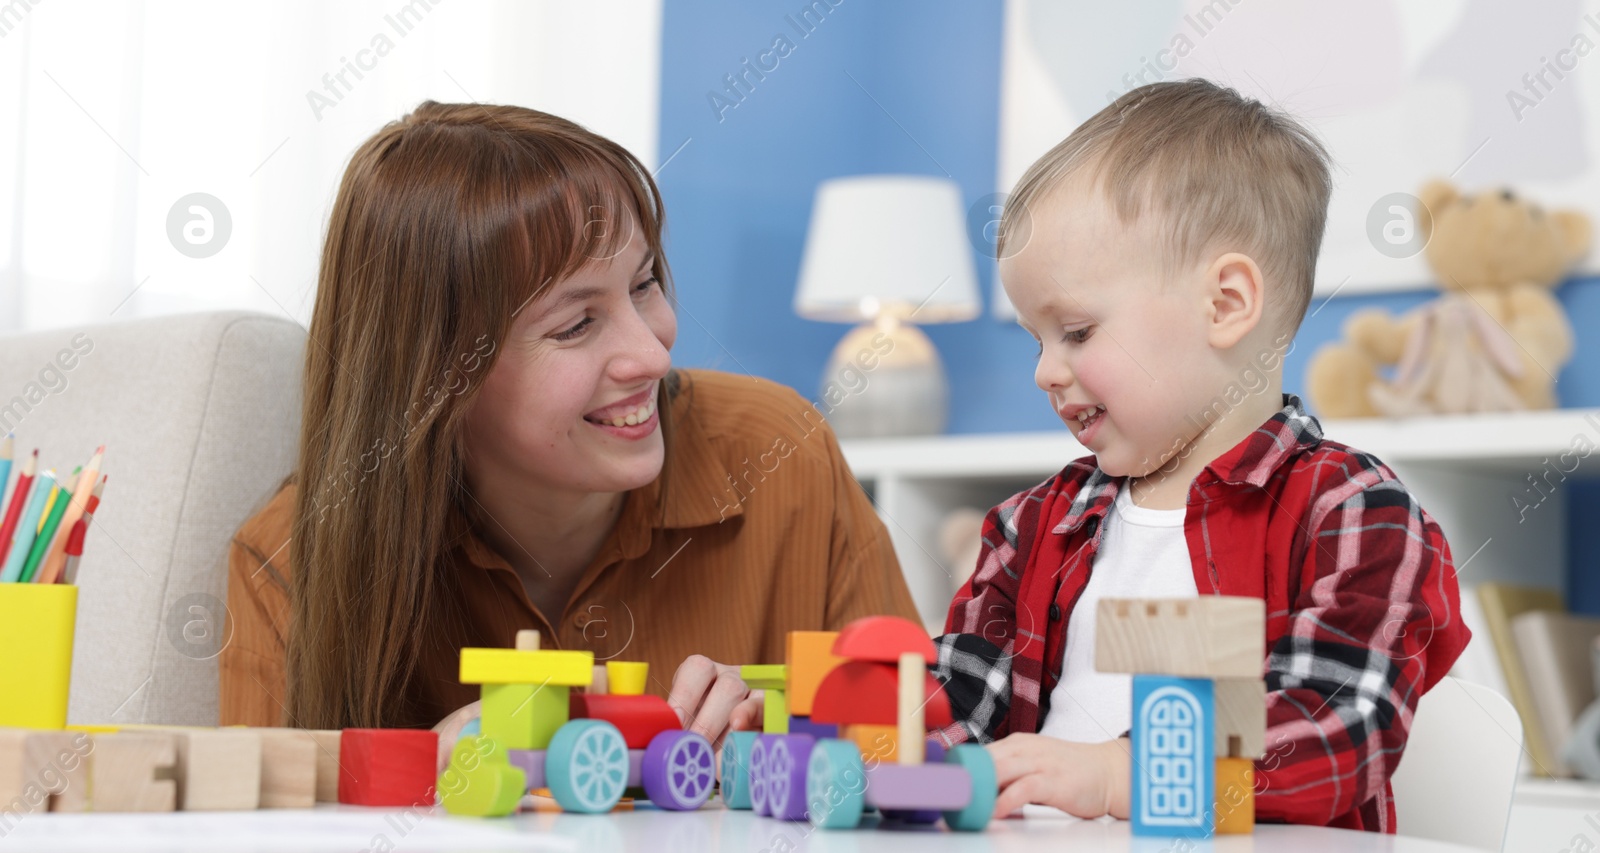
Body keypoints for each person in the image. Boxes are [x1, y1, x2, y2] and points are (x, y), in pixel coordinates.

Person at [219, 102, 920, 756]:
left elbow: (931, 750)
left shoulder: (783, 453)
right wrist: (419, 776)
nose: (653, 353)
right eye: (576, 323)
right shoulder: (288, 561)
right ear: (432, 381)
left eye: (643, 284)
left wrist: (796, 722)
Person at [930, 79, 1469, 832]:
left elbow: (1334, 724)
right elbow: (957, 697)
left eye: (1077, 331)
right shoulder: (1032, 524)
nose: (1044, 371)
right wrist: (826, 706)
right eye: (1036, 339)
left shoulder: (1351, 510)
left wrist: (1125, 772)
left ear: (1224, 305)